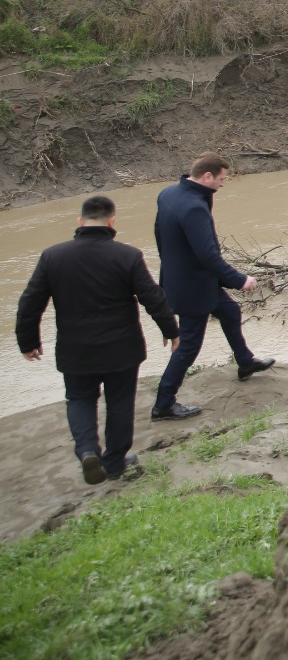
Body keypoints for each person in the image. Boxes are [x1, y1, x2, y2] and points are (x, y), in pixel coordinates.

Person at [15, 195, 178, 484]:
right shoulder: (128, 255)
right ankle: (114, 463)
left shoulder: (53, 256)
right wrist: (170, 330)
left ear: (80, 221)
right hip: (122, 348)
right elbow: (152, 297)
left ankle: (88, 450)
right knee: (120, 403)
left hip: (75, 349)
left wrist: (28, 341)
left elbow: (30, 302)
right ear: (112, 221)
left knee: (79, 398)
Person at [150, 153, 273, 421]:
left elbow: (159, 234)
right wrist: (239, 279)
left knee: (230, 311)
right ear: (207, 176)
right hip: (192, 286)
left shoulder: (168, 194)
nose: (223, 184)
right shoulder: (194, 207)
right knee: (188, 346)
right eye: (222, 179)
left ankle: (245, 362)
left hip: (185, 278)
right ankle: (163, 404)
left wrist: (171, 265)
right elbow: (208, 255)